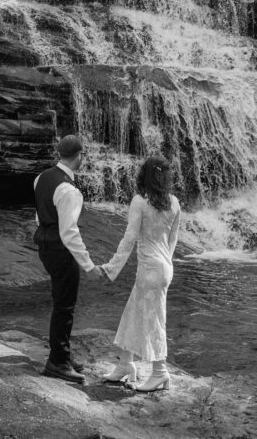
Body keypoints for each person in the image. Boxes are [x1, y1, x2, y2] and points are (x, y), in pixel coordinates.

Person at [100, 155, 182, 392]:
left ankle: (160, 373)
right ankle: (126, 364)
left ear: (143, 176)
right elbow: (173, 239)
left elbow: (129, 238)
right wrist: (165, 263)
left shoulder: (140, 201)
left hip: (150, 269)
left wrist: (111, 268)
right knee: (133, 313)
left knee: (155, 321)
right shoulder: (174, 202)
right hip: (163, 267)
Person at [33, 134, 106, 383]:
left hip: (44, 245)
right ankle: (58, 363)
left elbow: (40, 214)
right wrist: (89, 266)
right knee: (65, 306)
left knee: (60, 301)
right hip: (60, 251)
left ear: (59, 153)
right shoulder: (69, 190)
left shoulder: (41, 178)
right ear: (79, 156)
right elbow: (69, 233)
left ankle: (62, 354)